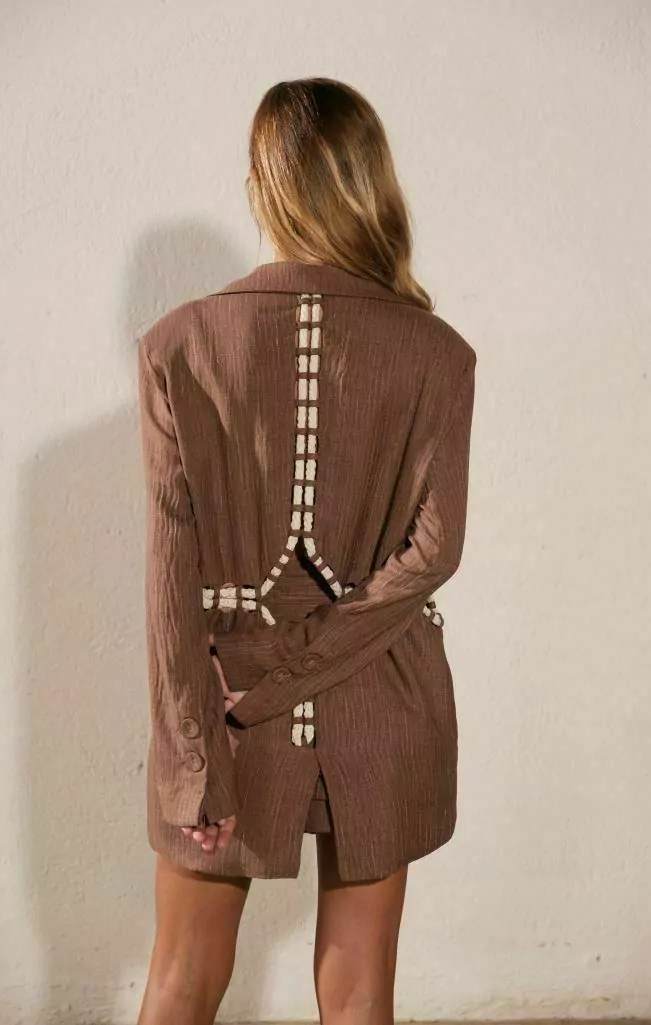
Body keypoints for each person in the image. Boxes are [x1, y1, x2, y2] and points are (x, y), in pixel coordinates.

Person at [136, 77, 477, 1025]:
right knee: (360, 991)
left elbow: (169, 582)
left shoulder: (176, 344)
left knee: (179, 979)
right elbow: (435, 550)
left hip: (225, 700)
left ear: (264, 183)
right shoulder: (438, 351)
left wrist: (196, 755)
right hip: (387, 688)